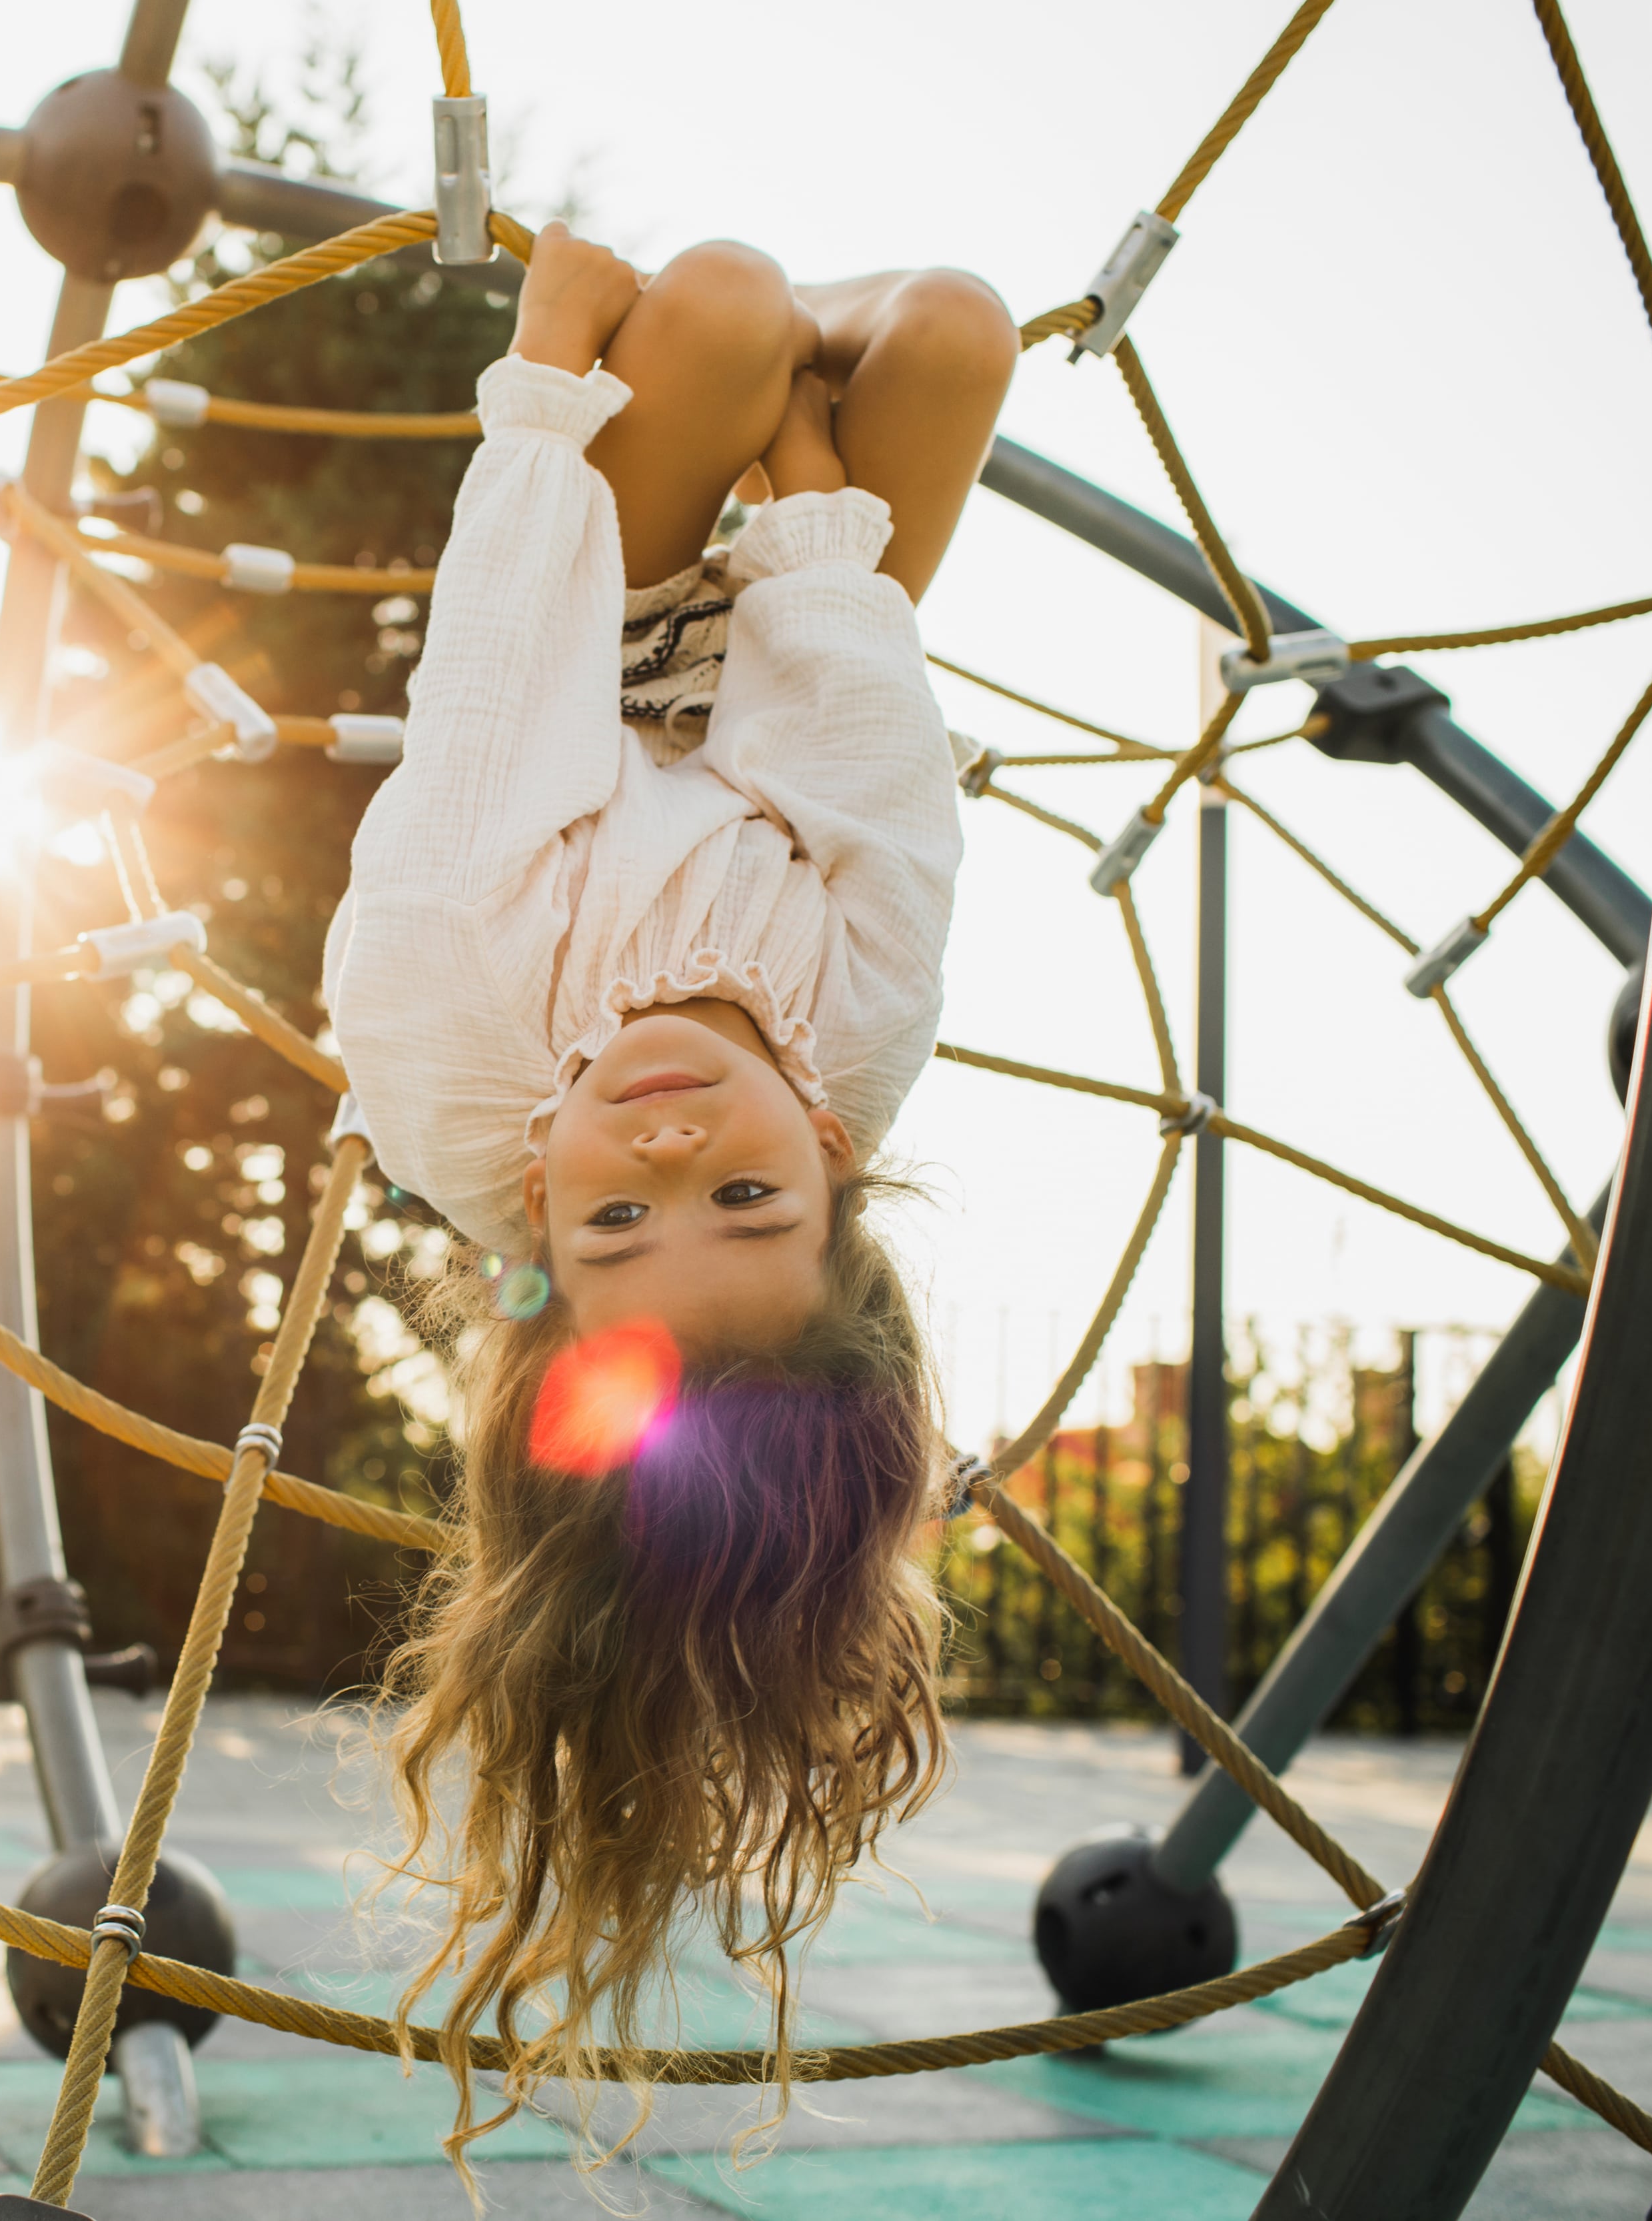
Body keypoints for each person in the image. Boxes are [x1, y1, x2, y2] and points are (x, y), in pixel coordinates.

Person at [320, 221, 1018, 2162]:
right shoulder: (855, 1040)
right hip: (764, 720)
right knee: (957, 332)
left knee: (707, 306)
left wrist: (545, 385)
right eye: (745, 1198)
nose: (664, 1148)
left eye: (621, 1225)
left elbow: (488, 688)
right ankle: (813, 379)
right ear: (841, 1163)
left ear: (538, 1225)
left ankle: (747, 370)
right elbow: (882, 795)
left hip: (578, 663)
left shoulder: (453, 999)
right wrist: (810, 538)